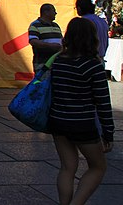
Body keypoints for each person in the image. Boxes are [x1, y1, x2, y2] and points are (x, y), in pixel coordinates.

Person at [50, 16, 114, 205]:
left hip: (58, 120)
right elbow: (103, 102)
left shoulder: (59, 62)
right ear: (91, 37)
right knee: (98, 167)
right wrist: (108, 133)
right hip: (82, 123)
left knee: (67, 168)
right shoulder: (93, 66)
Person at [29, 3, 62, 70]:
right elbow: (33, 41)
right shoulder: (35, 25)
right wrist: (50, 45)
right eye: (54, 11)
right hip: (42, 63)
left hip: (56, 63)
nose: (56, 13)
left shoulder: (56, 25)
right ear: (46, 12)